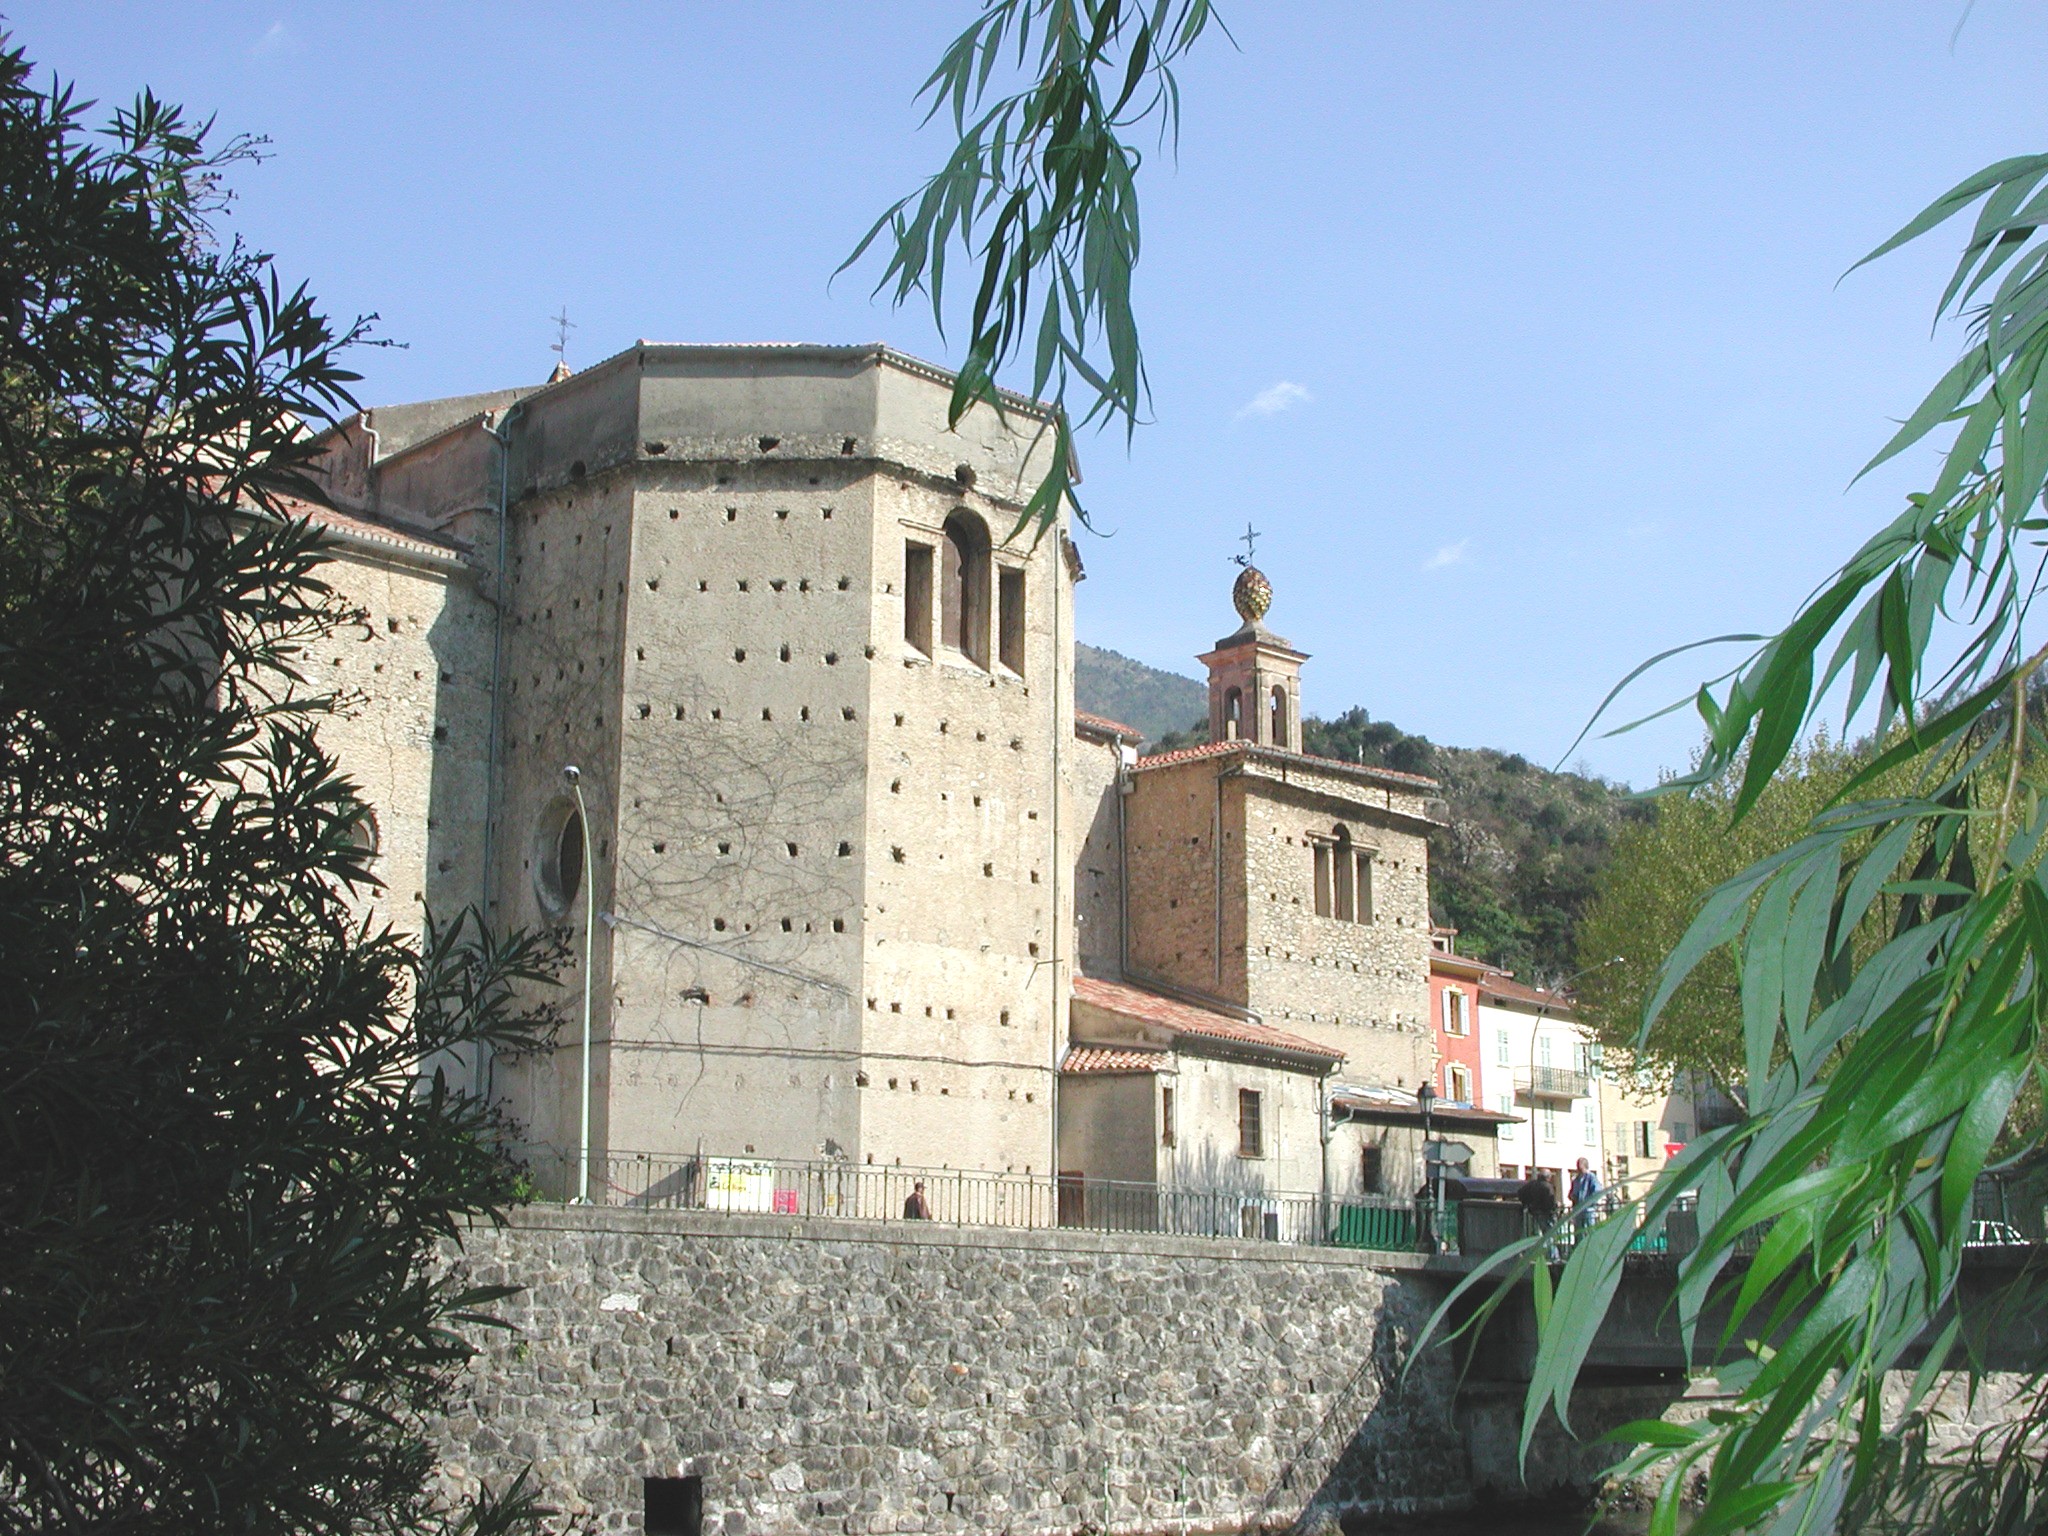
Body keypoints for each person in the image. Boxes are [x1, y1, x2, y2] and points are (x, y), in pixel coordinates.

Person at [1569, 1158, 1602, 1235]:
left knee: (1590, 1231)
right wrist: (1572, 1196)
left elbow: (1597, 1191)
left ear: (1585, 1166)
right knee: (1579, 1232)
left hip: (1589, 1209)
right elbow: (1572, 1192)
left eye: (1580, 1168)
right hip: (1578, 1210)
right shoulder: (1576, 1180)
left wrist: (1589, 1202)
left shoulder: (1591, 1177)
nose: (1578, 1169)